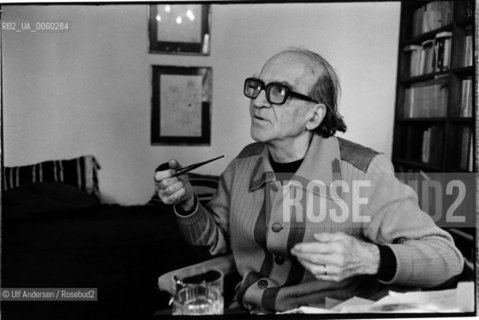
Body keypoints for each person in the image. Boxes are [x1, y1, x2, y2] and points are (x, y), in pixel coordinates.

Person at [155, 48, 463, 313]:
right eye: (257, 87)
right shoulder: (243, 164)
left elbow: (447, 257)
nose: (258, 101)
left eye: (279, 92)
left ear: (314, 117)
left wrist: (371, 258)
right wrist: (188, 204)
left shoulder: (365, 171)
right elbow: (216, 245)